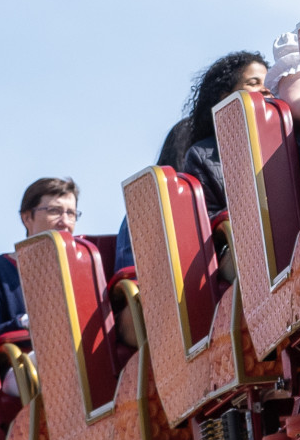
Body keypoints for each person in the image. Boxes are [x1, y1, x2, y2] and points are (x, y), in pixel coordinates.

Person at [111, 50, 268, 279]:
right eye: (254, 83)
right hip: (225, 255)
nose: (266, 89)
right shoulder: (201, 158)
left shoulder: (280, 137)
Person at [0, 176, 78, 337]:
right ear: (27, 218)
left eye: (71, 213)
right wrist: (25, 322)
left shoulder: (83, 268)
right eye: (54, 211)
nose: (65, 222)